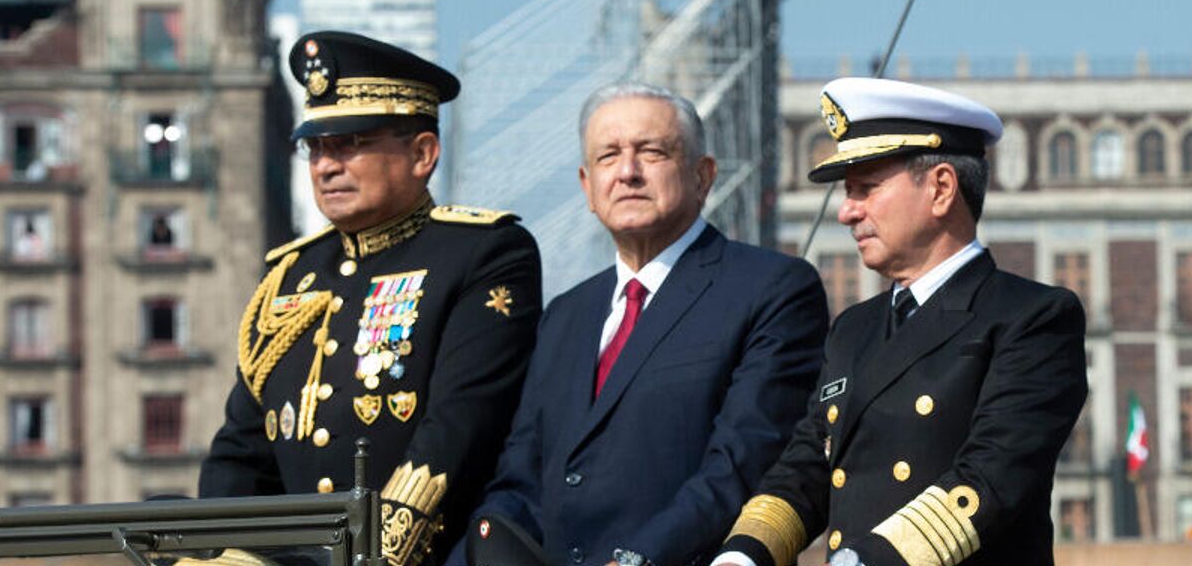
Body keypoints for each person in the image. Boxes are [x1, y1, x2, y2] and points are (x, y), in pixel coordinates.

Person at [712, 78, 1089, 566]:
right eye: (848, 193)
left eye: (866, 189)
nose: (847, 212)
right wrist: (745, 552)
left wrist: (863, 560)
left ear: (941, 189)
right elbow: (807, 463)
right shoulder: (853, 329)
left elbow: (992, 477)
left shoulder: (1032, 318)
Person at [200, 31, 543, 566]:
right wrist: (215, 552)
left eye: (349, 144)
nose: (325, 166)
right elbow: (240, 454)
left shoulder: (483, 253)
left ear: (423, 154)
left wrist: (368, 558)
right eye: (315, 148)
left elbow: (456, 433)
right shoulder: (289, 278)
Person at [451, 83, 828, 566]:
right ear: (587, 188)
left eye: (652, 152)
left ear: (702, 175)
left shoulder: (772, 289)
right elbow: (520, 482)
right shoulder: (567, 315)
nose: (628, 172)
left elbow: (740, 465)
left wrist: (635, 561)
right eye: (609, 156)